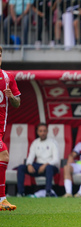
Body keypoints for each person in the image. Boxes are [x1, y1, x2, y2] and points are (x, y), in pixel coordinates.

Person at [0, 45, 21, 211]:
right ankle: (2, 199)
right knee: (4, 154)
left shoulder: (8, 77)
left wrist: (11, 97)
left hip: (1, 128)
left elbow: (17, 103)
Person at [17, 123, 59, 197]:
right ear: (37, 132)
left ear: (47, 131)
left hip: (50, 167)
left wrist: (45, 165)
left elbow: (56, 160)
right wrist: (29, 165)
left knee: (49, 168)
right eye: (40, 131)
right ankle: (21, 193)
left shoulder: (53, 142)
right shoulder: (35, 143)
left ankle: (48, 192)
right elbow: (30, 157)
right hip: (38, 167)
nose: (42, 133)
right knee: (21, 167)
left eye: (44, 131)